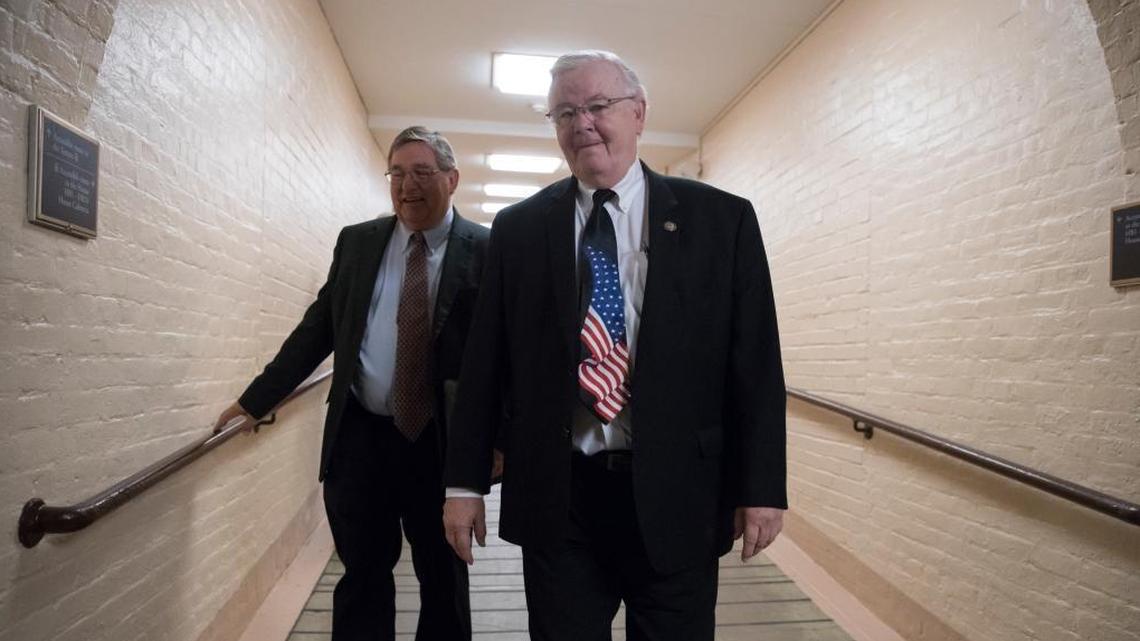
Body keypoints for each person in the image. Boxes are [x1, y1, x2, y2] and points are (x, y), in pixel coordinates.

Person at [441, 51, 787, 641]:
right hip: (562, 497)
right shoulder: (520, 229)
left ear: (639, 114)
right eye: (565, 113)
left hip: (679, 494)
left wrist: (761, 488)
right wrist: (464, 484)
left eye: (598, 106)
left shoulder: (720, 220)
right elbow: (485, 364)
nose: (582, 124)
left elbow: (754, 366)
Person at [214, 126, 489, 641]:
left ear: (451, 179)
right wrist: (257, 399)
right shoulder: (359, 242)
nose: (407, 186)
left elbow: (504, 357)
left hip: (441, 443)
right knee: (362, 571)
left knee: (443, 574)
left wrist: (497, 442)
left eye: (422, 173)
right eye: (398, 174)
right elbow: (320, 326)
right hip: (361, 438)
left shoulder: (487, 249)